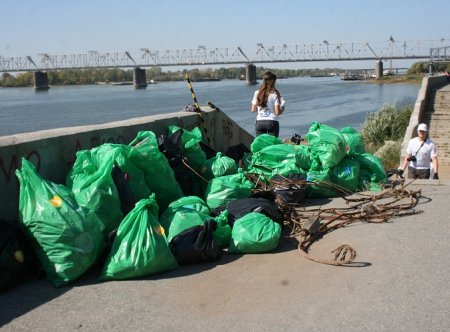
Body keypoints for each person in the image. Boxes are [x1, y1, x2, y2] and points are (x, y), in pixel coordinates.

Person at [251, 71, 285, 137]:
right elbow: (277, 112)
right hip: (272, 122)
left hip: (259, 122)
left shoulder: (257, 93)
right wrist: (283, 108)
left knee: (261, 145)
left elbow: (253, 110)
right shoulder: (275, 94)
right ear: (273, 82)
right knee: (272, 145)